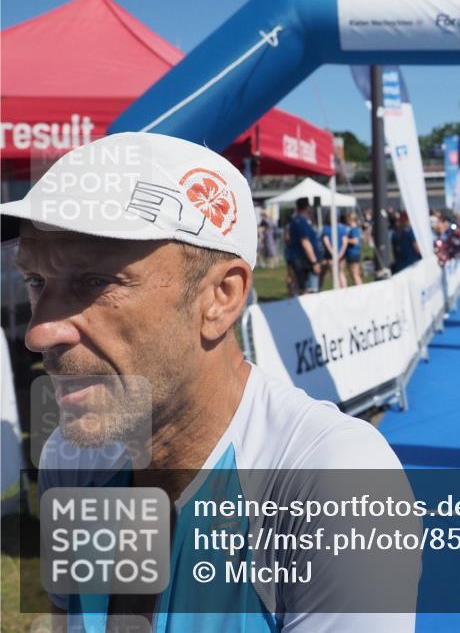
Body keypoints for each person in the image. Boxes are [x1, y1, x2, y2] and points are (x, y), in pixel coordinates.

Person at [1, 133, 417, 632]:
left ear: (221, 297)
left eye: (95, 282)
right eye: (36, 281)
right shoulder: (70, 459)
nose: (39, 331)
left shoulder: (332, 478)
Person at [287, 196, 322, 295]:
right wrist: (314, 261)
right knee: (309, 289)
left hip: (300, 259)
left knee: (301, 286)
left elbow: (288, 238)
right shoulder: (301, 222)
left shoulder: (296, 220)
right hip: (304, 261)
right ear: (307, 207)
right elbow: (305, 242)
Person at [343, 210, 363, 286]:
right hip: (352, 253)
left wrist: (346, 240)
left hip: (353, 253)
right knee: (354, 274)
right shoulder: (353, 228)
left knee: (355, 274)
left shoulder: (354, 229)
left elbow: (355, 241)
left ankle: (360, 290)